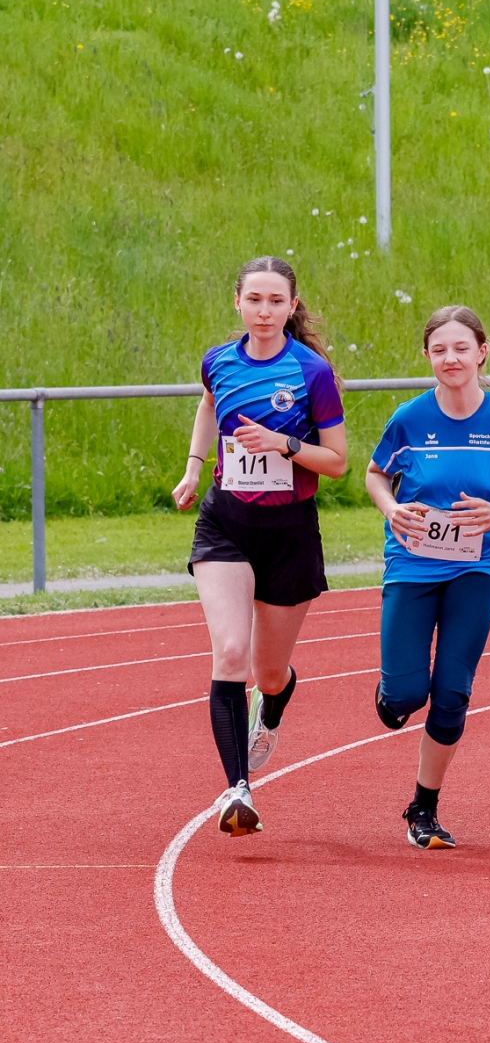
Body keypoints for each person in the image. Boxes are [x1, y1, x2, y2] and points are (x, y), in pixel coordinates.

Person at [172, 257, 349, 837]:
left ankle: (271, 706)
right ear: (238, 302)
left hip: (289, 532)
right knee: (230, 652)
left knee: (267, 673)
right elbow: (208, 405)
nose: (265, 311)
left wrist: (283, 444)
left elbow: (337, 462)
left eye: (276, 301)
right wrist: (194, 467)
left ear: (292, 306)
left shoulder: (312, 372)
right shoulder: (218, 361)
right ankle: (238, 789)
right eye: (255, 299)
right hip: (226, 522)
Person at [367, 305, 490, 849]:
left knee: (451, 694)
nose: (451, 358)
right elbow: (376, 475)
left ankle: (423, 807)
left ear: (482, 352)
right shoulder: (409, 418)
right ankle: (392, 694)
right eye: (440, 349)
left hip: (477, 567)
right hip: (413, 565)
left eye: (461, 348)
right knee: (406, 695)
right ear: (427, 355)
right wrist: (391, 509)